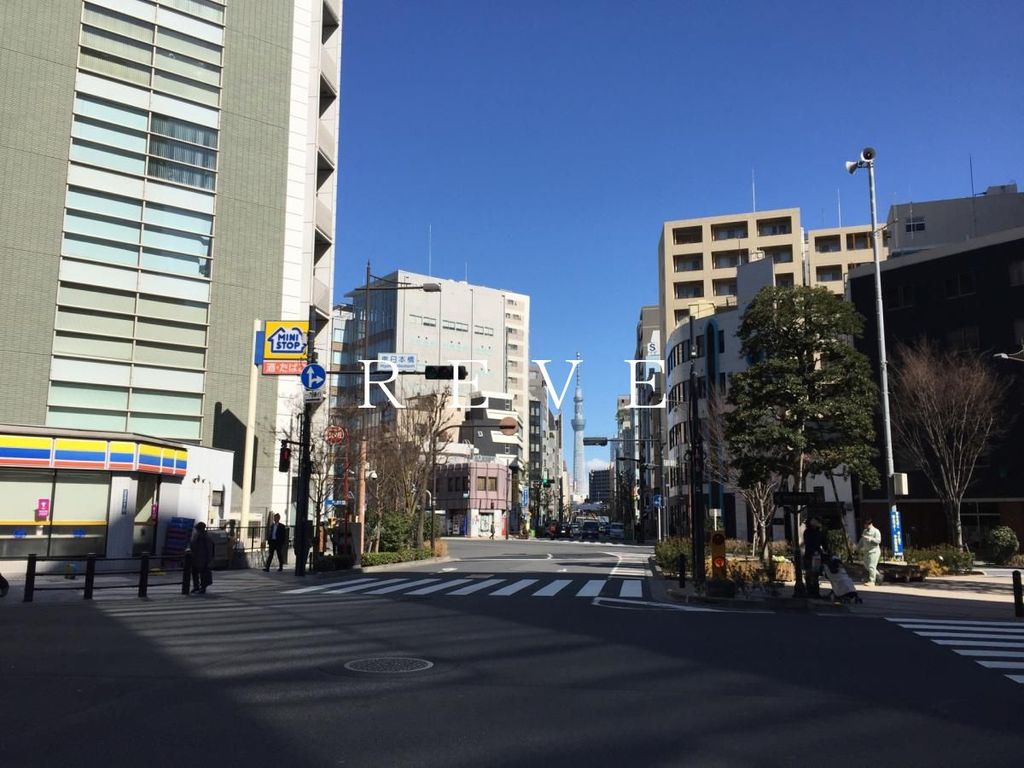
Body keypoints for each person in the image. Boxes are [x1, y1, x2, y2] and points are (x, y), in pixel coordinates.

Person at [802, 517, 827, 598]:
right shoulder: (807, 532)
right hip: (810, 555)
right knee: (809, 574)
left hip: (817, 556)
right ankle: (810, 591)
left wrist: (827, 551)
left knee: (815, 574)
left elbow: (824, 543)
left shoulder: (819, 532)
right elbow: (808, 543)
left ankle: (815, 592)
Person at [188, 522, 214, 594]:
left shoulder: (205, 537)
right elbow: (192, 544)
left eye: (197, 529)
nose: (196, 530)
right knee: (195, 573)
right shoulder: (196, 535)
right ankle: (196, 586)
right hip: (195, 557)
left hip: (202, 558)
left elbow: (209, 549)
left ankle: (203, 587)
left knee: (203, 574)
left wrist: (209, 559)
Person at [858, 518, 883, 586]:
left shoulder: (876, 531)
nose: (865, 526)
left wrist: (871, 539)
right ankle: (879, 576)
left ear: (870, 524)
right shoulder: (865, 531)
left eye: (866, 525)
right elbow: (861, 540)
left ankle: (872, 581)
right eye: (864, 525)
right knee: (866, 566)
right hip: (867, 551)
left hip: (874, 551)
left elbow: (878, 541)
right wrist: (857, 547)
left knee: (871, 566)